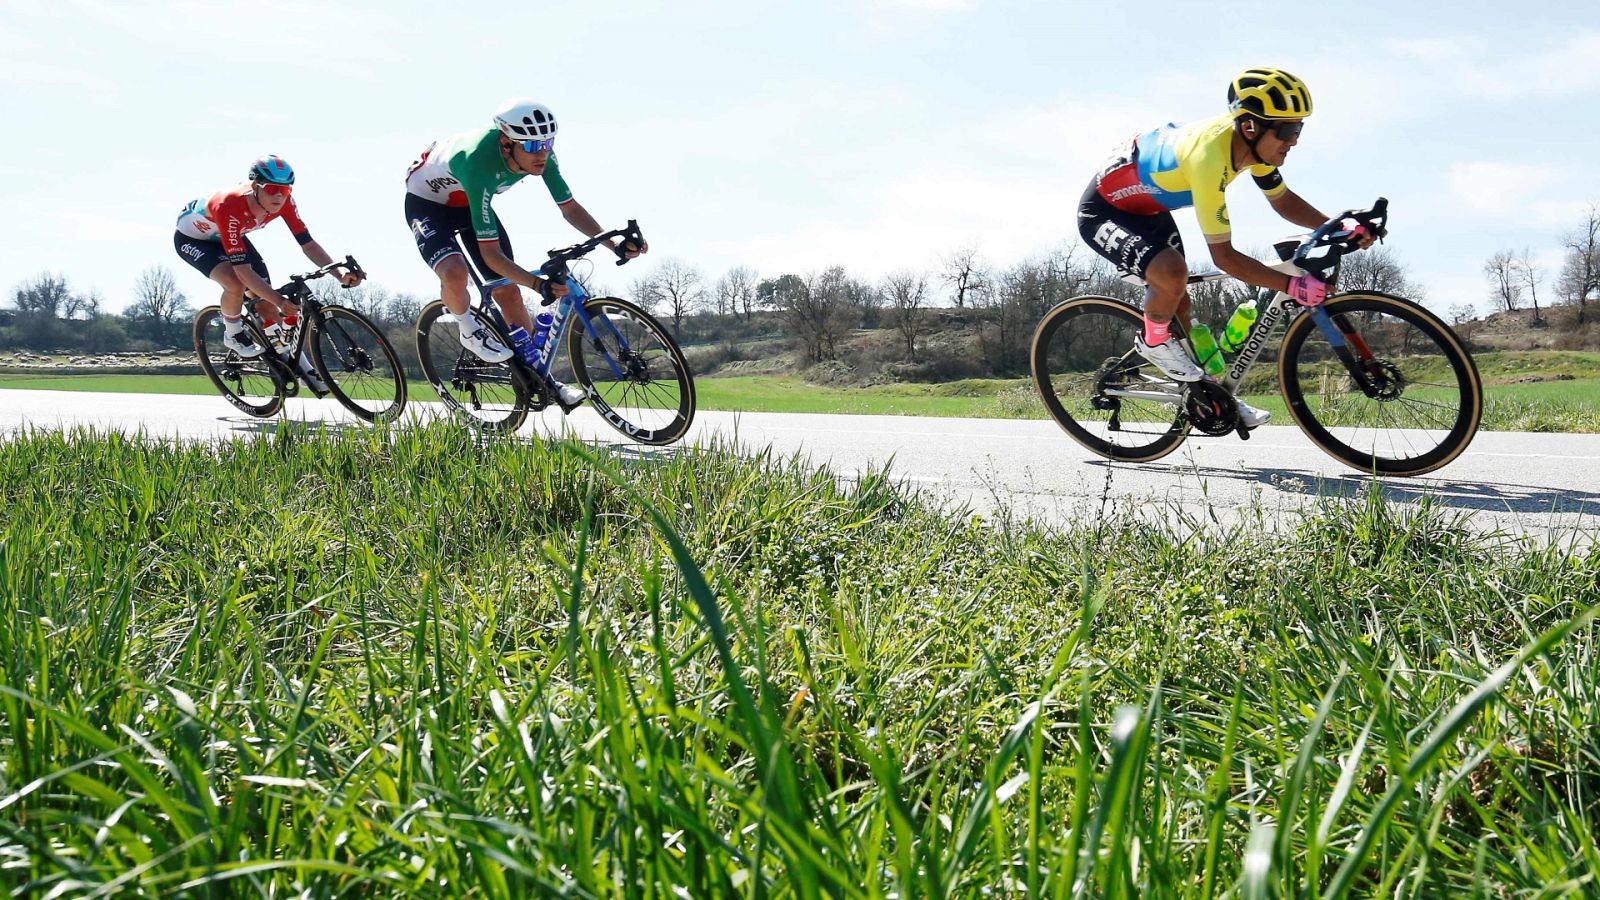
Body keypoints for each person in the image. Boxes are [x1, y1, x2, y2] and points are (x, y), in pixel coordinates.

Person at [1076, 67, 1374, 428]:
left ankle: (1210, 393)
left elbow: (1282, 201)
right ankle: (1151, 343)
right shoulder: (1208, 158)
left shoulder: (1254, 149)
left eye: (1299, 129)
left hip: (1147, 208)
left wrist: (1336, 225)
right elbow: (1226, 257)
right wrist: (1290, 285)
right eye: (1287, 130)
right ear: (1250, 127)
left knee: (1181, 308)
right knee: (1171, 275)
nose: (1293, 140)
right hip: (1104, 211)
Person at [404, 99, 646, 404]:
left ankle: (543, 379)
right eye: (533, 146)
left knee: (508, 292)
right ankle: (467, 327)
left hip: (467, 203)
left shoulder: (541, 156)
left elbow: (569, 207)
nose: (542, 152)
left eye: (548, 143)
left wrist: (612, 243)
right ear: (507, 145)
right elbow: (492, 255)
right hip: (427, 204)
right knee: (455, 272)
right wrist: (538, 284)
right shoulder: (478, 162)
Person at [174, 156, 364, 377]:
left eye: (285, 190)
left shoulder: (286, 203)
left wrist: (339, 274)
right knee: (235, 284)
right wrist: (281, 300)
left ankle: (302, 369)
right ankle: (233, 333)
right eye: (272, 188)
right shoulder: (229, 205)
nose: (278, 196)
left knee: (267, 306)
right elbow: (242, 271)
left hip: (230, 236)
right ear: (255, 187)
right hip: (194, 239)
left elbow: (308, 244)